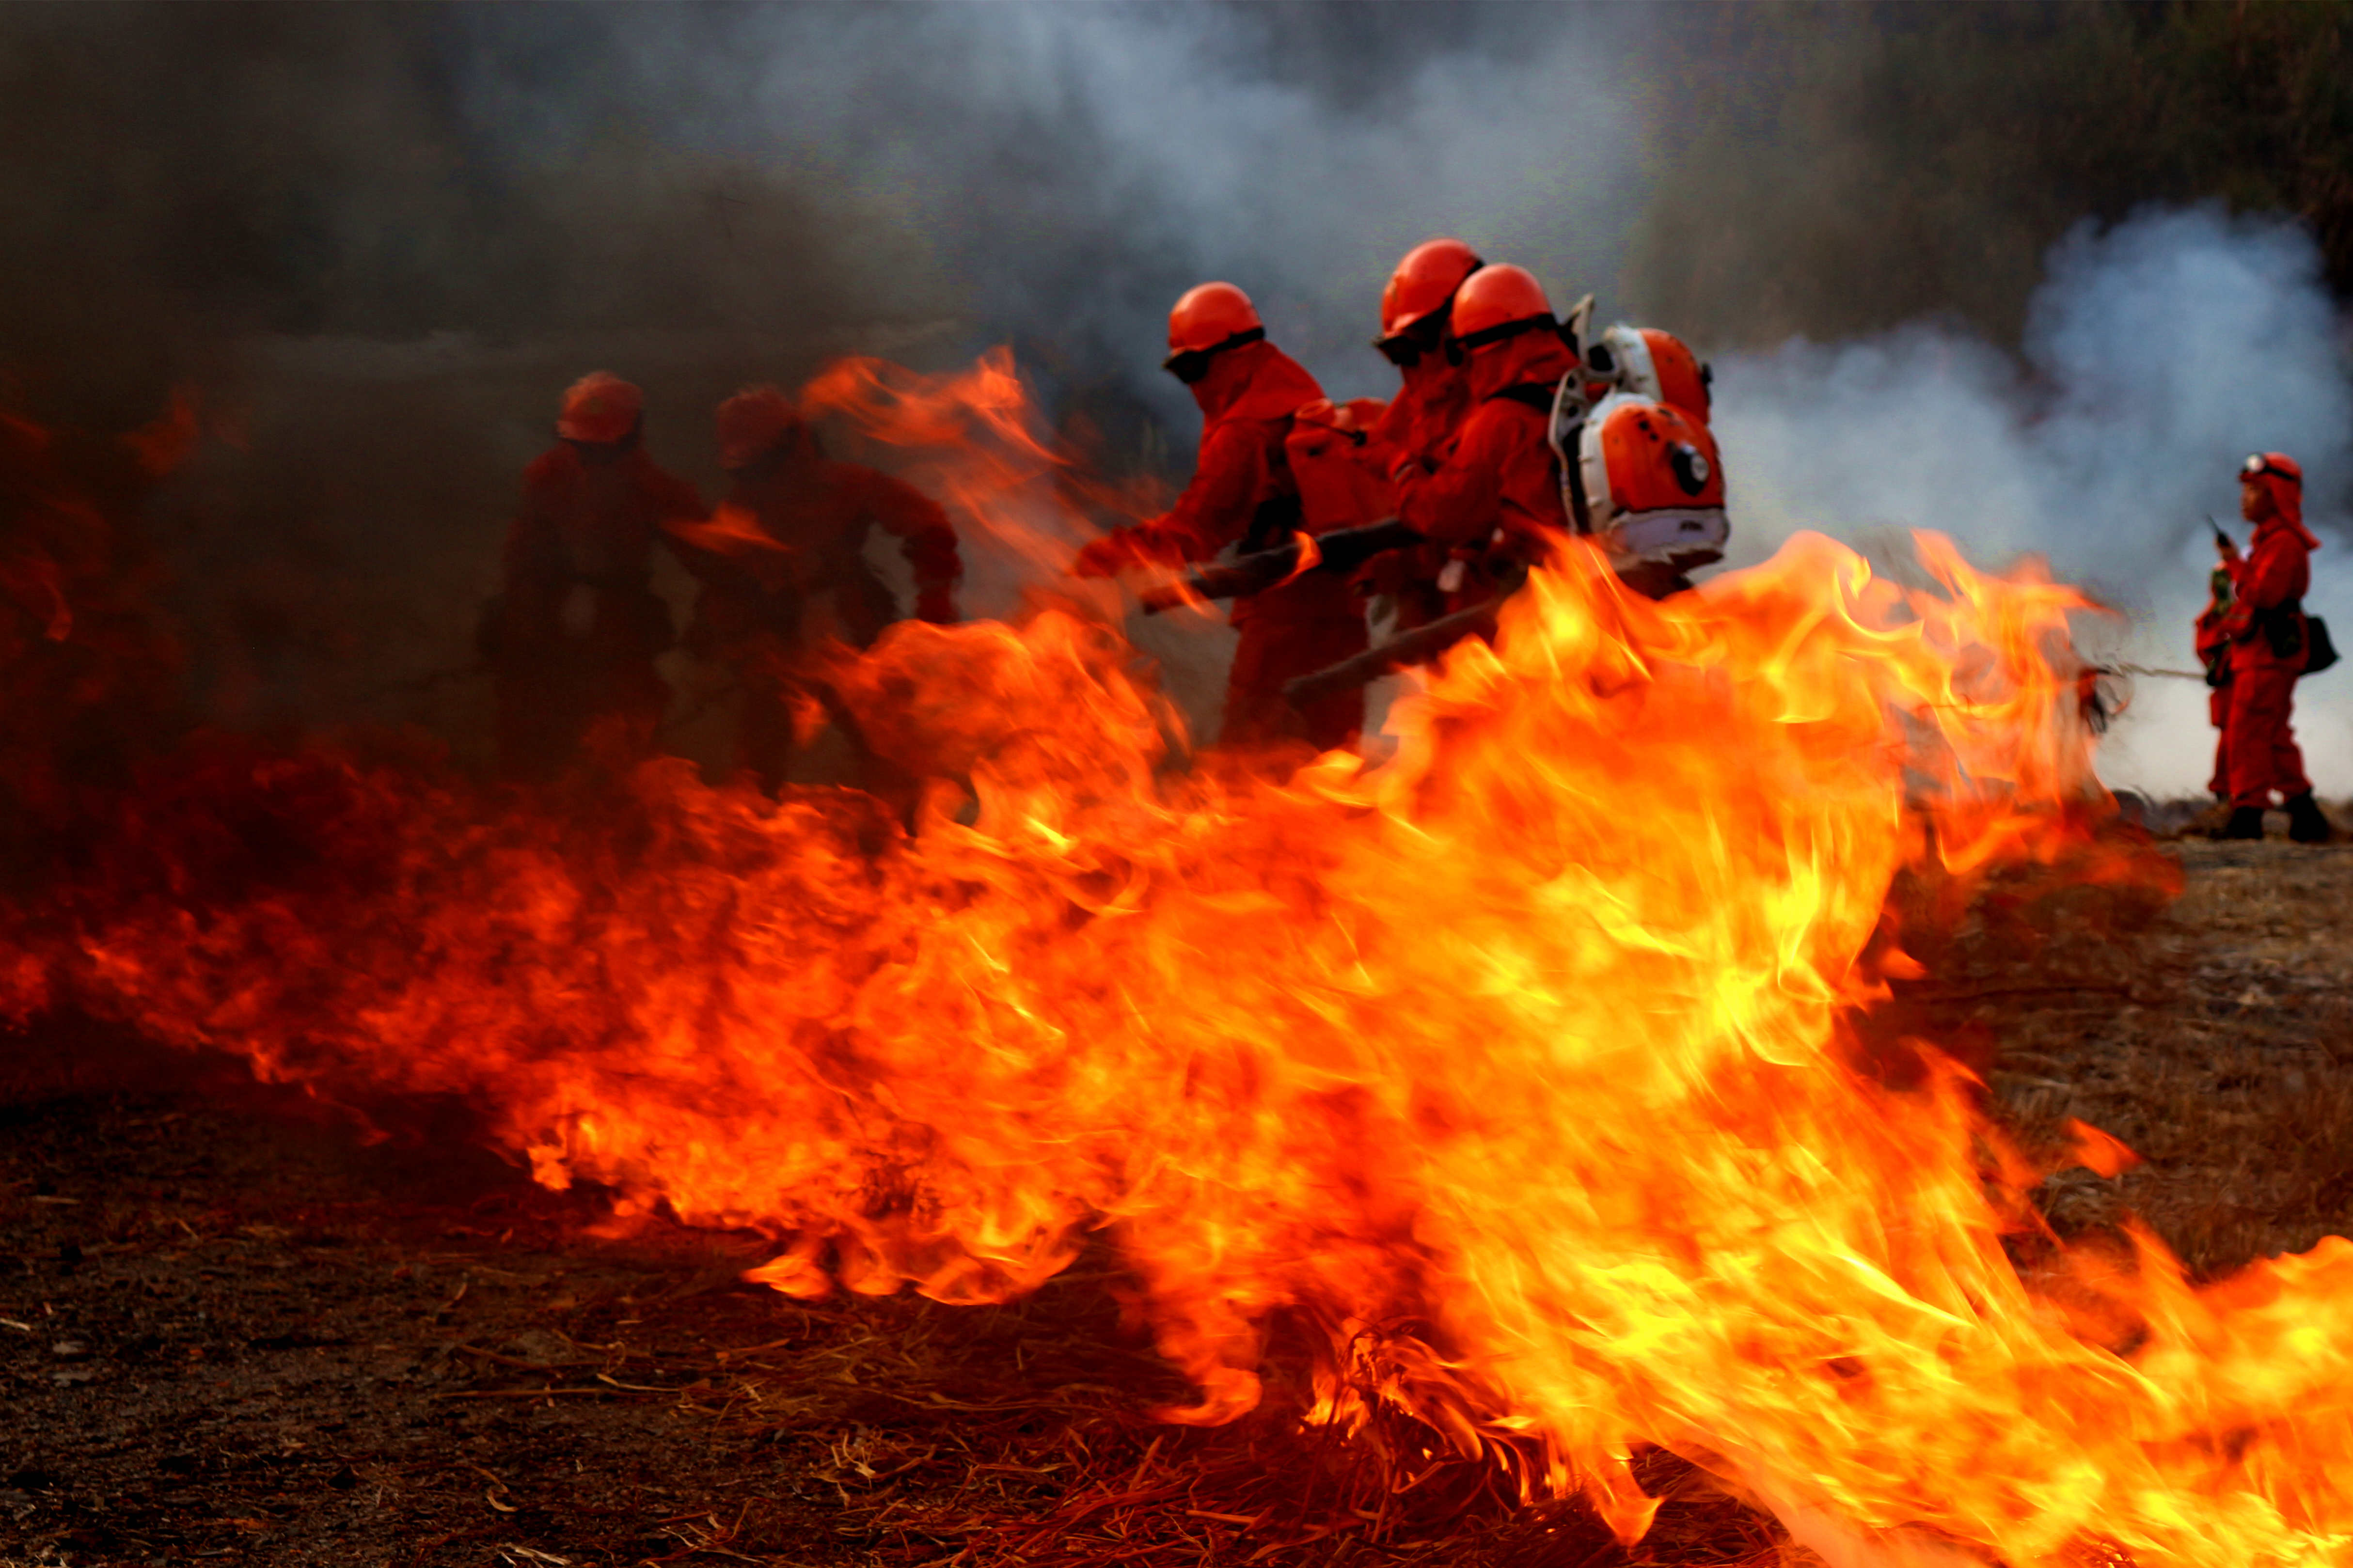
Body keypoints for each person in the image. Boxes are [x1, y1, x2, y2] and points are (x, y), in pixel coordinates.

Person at [1072, 282, 1367, 752]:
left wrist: (1114, 552)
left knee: (1249, 761)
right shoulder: (1286, 383)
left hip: (1286, 615)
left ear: (1225, 355)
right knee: (1328, 754)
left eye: (1193, 367)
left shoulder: (1244, 427)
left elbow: (1198, 528)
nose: (1191, 384)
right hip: (1340, 608)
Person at [672, 385, 962, 793]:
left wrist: (934, 600)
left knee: (881, 739)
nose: (763, 479)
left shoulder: (851, 486)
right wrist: (713, 624)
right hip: (775, 634)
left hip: (849, 624)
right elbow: (730, 576)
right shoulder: (742, 505)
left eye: (764, 464)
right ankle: (756, 825)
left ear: (792, 447)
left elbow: (929, 528)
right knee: (761, 748)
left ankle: (898, 826)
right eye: (750, 469)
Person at [483, 373, 703, 783]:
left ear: (629, 440)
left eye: (598, 449)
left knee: (623, 742)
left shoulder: (656, 491)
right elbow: (520, 557)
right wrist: (519, 620)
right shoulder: (547, 478)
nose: (587, 458)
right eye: (580, 446)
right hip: (546, 628)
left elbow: (709, 560)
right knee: (530, 745)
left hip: (620, 631)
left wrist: (723, 618)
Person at [1388, 264, 1584, 604]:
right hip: (1597, 560)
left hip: (1547, 587)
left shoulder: (1499, 420)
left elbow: (1444, 515)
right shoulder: (1583, 384)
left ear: (1473, 346)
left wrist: (1401, 469)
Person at [1361, 237, 1483, 628]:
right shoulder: (1418, 404)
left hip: (1523, 607)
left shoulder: (1504, 401)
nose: (1411, 360)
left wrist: (1397, 467)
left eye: (1416, 342)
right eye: (1399, 352)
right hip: (1449, 603)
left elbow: (1445, 514)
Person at [2218, 451, 2329, 842]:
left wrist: (2233, 565)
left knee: (2248, 733)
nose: (2243, 499)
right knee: (2274, 734)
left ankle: (2247, 817)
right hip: (2260, 652)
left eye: (2253, 491)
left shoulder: (2282, 543)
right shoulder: (2269, 541)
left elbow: (2263, 596)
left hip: (2268, 653)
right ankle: (2305, 814)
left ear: (2275, 495)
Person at [2194, 526, 2239, 803]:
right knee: (2233, 733)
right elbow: (2204, 644)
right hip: (2231, 680)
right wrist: (2217, 664)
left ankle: (2241, 794)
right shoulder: (2214, 615)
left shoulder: (2241, 607)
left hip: (2249, 675)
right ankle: (2226, 793)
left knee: (2245, 733)